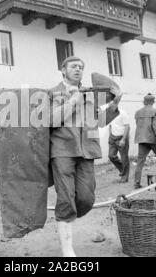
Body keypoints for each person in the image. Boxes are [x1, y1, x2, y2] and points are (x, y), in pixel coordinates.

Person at [49, 56, 121, 257]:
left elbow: (98, 122)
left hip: (86, 150)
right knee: (65, 198)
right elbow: (52, 120)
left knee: (87, 199)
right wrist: (73, 100)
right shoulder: (53, 93)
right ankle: (67, 249)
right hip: (62, 150)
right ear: (63, 70)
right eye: (73, 66)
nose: (78, 70)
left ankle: (67, 215)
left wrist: (114, 104)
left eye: (81, 67)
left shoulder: (90, 94)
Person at [133, 93, 156, 189]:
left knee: (140, 162)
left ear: (144, 102)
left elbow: (138, 125)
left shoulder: (138, 112)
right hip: (153, 139)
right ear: (153, 102)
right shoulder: (155, 112)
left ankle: (136, 183)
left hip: (141, 140)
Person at [108, 110, 131, 183]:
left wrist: (123, 139)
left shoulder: (123, 113)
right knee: (111, 156)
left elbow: (127, 126)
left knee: (124, 158)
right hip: (113, 138)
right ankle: (123, 170)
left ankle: (124, 176)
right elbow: (110, 125)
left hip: (121, 138)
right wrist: (110, 136)